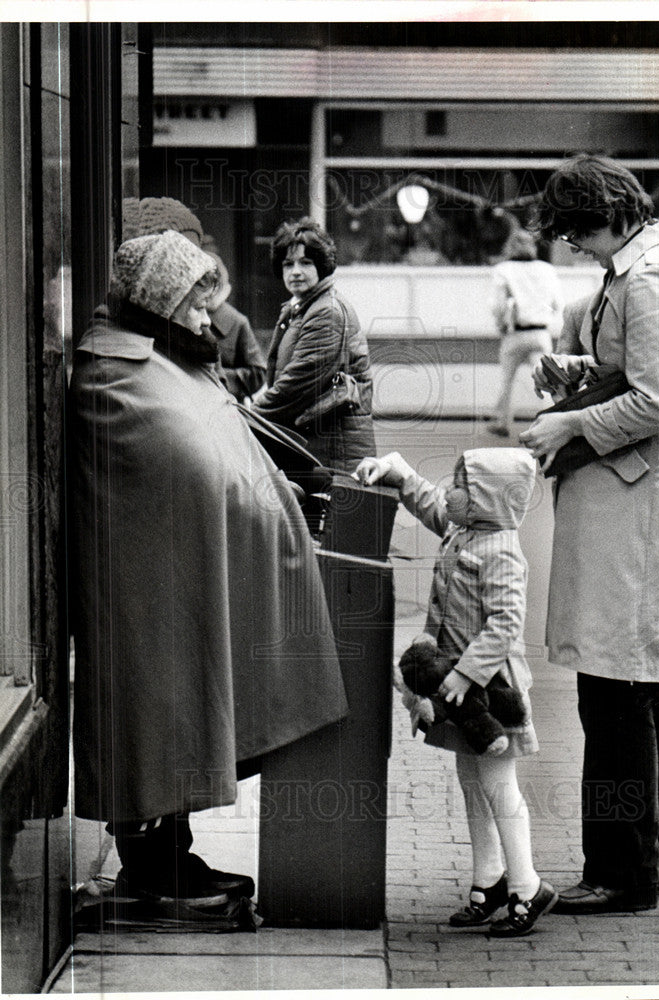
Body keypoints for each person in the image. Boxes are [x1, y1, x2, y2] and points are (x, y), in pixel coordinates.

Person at [69, 230, 347, 906]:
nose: (206, 321)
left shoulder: (159, 360)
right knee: (158, 719)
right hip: (144, 593)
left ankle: (172, 862)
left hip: (178, 583)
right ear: (162, 302)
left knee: (182, 715)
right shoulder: (114, 373)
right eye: (196, 306)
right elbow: (174, 466)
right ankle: (152, 872)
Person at [520, 154, 659, 914]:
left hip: (642, 504)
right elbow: (646, 373)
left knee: (612, 690)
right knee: (648, 687)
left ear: (607, 213)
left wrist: (565, 422)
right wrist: (577, 374)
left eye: (576, 230)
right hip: (646, 498)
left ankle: (619, 871)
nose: (572, 245)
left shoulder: (649, 279)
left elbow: (652, 401)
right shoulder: (642, 268)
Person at [356, 447, 558, 936]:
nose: (451, 493)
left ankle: (527, 887)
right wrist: (398, 471)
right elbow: (429, 502)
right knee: (473, 782)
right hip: (459, 687)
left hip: (492, 690)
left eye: (463, 487)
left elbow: (506, 623)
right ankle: (488, 880)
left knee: (498, 785)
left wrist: (466, 674)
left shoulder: (503, 551)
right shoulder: (464, 529)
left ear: (488, 500)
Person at [251, 218, 376, 472]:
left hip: (333, 455)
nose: (295, 271)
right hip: (318, 449)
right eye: (288, 264)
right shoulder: (302, 307)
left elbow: (296, 385)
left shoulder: (326, 312)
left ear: (322, 266)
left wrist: (248, 416)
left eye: (305, 262)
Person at [486, 228, 563, 437]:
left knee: (507, 380)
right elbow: (557, 304)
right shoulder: (547, 269)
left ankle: (502, 421)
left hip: (516, 333)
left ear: (510, 247)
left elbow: (498, 306)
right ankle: (552, 422)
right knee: (545, 380)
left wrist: (501, 323)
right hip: (541, 333)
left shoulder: (503, 269)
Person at [205, 252, 268, 402]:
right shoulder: (180, 318)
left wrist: (217, 376)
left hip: (226, 402)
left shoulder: (237, 322)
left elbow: (258, 373)